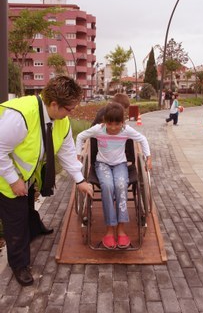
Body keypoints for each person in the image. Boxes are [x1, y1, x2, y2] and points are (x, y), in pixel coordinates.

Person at [0, 76, 93, 286]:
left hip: (25, 173)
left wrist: (80, 181)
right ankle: (19, 264)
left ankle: (34, 229)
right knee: (15, 220)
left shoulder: (61, 121)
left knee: (27, 204)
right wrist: (13, 181)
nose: (72, 113)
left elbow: (67, 153)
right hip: (4, 175)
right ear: (54, 104)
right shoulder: (21, 116)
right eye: (69, 108)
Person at [76, 102, 152, 249]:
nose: (113, 128)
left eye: (117, 124)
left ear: (122, 123)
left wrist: (148, 157)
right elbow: (80, 137)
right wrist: (78, 155)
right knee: (108, 186)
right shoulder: (99, 129)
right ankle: (110, 229)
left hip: (120, 164)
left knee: (121, 185)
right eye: (110, 123)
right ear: (105, 121)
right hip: (102, 165)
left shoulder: (126, 130)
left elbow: (142, 139)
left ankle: (121, 229)